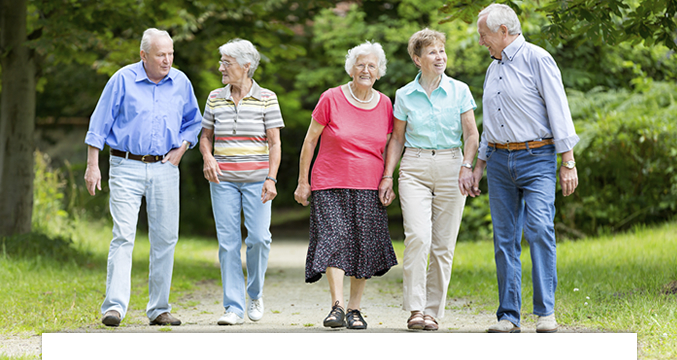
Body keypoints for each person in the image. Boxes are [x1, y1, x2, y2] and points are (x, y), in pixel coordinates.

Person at [472, 3, 579, 333]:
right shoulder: (494, 68)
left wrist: (568, 161)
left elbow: (559, 110)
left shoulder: (537, 58)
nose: (481, 42)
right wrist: (479, 163)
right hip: (501, 162)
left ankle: (546, 312)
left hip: (538, 158)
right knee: (504, 240)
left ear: (504, 32)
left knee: (539, 229)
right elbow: (491, 123)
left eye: (484, 35)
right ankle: (508, 316)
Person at [84, 28, 202, 327]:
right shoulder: (122, 79)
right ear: (143, 55)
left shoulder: (181, 82)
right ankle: (114, 308)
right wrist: (92, 165)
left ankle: (159, 308)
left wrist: (182, 148)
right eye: (161, 55)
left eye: (171, 54)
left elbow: (194, 121)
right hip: (126, 165)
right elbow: (99, 123)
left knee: (165, 238)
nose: (167, 60)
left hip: (165, 167)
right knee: (123, 236)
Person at [379, 28, 479, 331]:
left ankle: (433, 311)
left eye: (442, 51)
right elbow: (397, 139)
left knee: (444, 244)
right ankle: (415, 309)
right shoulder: (404, 95)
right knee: (418, 237)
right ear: (417, 58)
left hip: (452, 164)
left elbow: (472, 134)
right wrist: (387, 176)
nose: (440, 57)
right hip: (415, 166)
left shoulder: (460, 90)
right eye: (433, 52)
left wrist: (467, 166)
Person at [294, 41, 398, 330]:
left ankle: (355, 309)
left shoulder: (386, 104)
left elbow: (390, 144)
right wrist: (304, 182)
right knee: (336, 239)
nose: (365, 70)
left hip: (369, 184)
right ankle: (337, 307)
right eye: (360, 64)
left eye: (372, 65)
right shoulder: (331, 98)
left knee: (362, 245)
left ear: (379, 72)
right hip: (329, 183)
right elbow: (309, 141)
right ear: (351, 68)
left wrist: (388, 177)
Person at [200, 39, 284, 326]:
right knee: (228, 243)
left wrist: (271, 178)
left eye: (227, 62)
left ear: (246, 66)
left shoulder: (267, 98)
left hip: (257, 180)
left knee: (260, 239)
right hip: (222, 180)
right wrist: (208, 158)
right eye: (221, 61)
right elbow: (205, 137)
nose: (221, 67)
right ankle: (233, 307)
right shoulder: (214, 97)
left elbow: (275, 144)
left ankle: (255, 293)